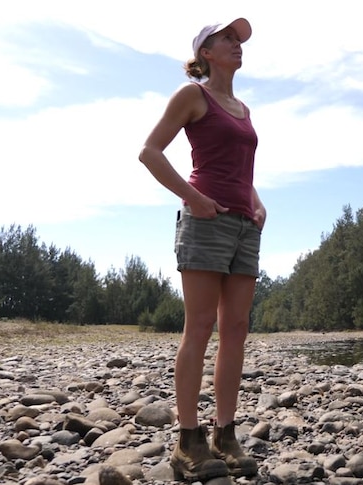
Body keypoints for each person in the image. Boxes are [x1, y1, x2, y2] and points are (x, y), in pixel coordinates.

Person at [138, 17, 265, 481]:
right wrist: (193, 198)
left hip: (243, 225)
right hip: (205, 221)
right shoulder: (193, 95)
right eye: (227, 38)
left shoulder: (244, 108)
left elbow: (240, 169)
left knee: (236, 329)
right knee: (200, 326)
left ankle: (224, 434)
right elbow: (150, 151)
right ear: (205, 52)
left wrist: (256, 200)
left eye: (239, 39)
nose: (237, 45)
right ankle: (187, 440)